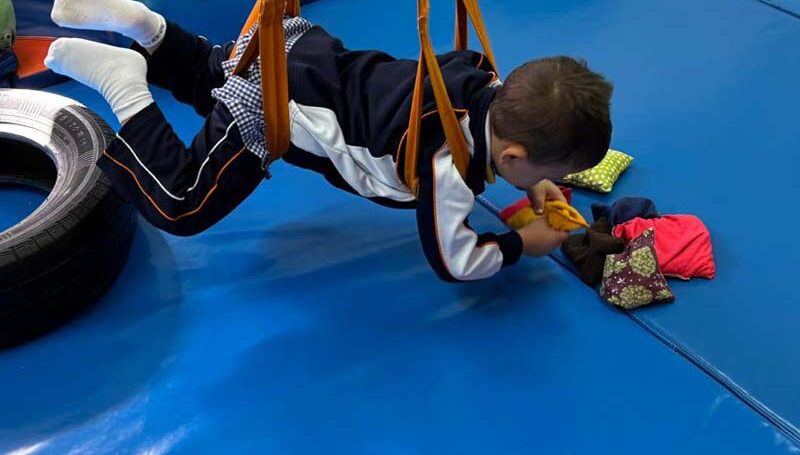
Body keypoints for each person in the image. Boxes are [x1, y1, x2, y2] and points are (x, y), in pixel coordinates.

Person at [44, 0, 613, 282]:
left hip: (297, 48)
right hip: (279, 102)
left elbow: (517, 150)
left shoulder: (481, 75)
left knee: (212, 74)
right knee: (185, 200)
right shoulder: (448, 162)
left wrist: (538, 184)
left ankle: (147, 27)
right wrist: (521, 245)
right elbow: (455, 260)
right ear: (510, 154)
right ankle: (125, 85)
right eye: (545, 172)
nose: (549, 183)